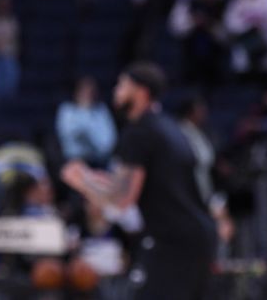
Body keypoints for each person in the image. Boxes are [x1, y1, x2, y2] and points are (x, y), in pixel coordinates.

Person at [61, 62, 217, 300]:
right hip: (199, 236)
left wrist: (80, 180)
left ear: (141, 92)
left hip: (172, 242)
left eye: (122, 85)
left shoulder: (139, 132)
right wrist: (97, 180)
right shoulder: (171, 128)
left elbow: (121, 199)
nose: (116, 90)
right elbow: (138, 186)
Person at [56, 76, 117, 168]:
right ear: (77, 92)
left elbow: (108, 141)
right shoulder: (67, 110)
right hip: (74, 162)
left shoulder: (101, 110)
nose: (87, 94)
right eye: (84, 91)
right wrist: (85, 111)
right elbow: (69, 134)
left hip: (100, 162)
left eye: (91, 92)